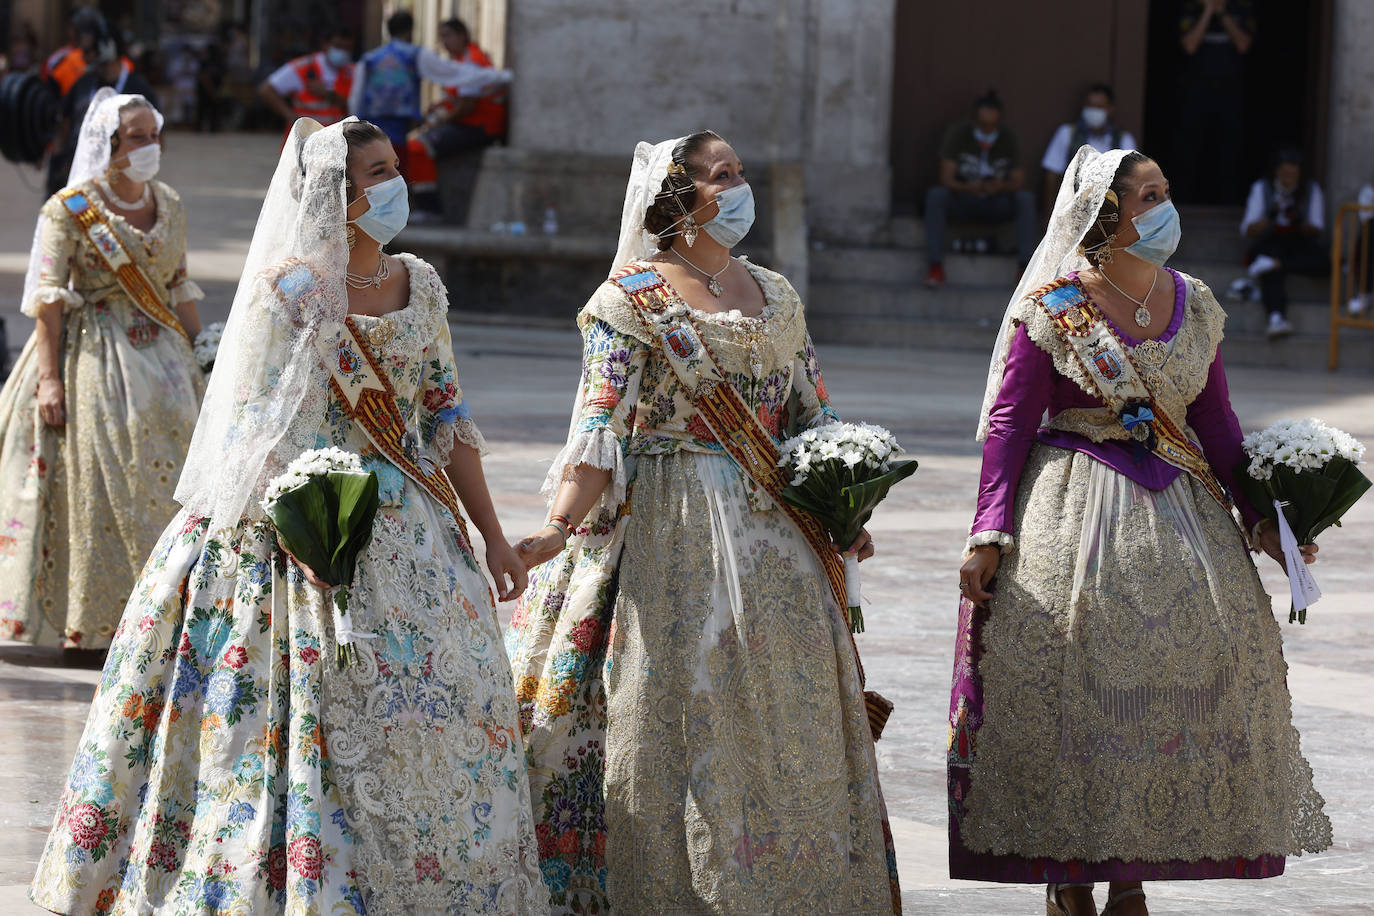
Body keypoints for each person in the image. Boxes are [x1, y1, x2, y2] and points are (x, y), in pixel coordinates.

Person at [28, 117, 549, 915]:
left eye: (392, 167)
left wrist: (489, 532)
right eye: (377, 172)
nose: (394, 184)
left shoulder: (423, 284)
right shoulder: (288, 291)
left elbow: (447, 414)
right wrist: (307, 531)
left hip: (414, 533)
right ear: (336, 196)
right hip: (303, 530)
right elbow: (253, 427)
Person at [506, 131, 900, 915]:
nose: (737, 186)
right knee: (677, 710)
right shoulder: (628, 302)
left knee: (783, 714)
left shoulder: (777, 295)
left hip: (777, 538)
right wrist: (555, 530)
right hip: (668, 527)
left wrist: (844, 501)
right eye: (720, 176)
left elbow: (812, 413)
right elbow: (600, 427)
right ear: (677, 199)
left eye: (740, 172)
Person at [949, 146, 1331, 916]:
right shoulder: (1057, 307)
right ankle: (1069, 872)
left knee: (1167, 689)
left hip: (1181, 511)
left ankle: (1130, 871)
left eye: (1164, 191)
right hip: (1072, 506)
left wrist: (1263, 519)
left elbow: (1217, 424)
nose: (1164, 206)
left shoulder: (1193, 300)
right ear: (1108, 215)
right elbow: (1011, 421)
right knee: (1074, 686)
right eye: (1148, 195)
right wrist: (990, 528)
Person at [0, 90, 205, 651]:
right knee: (102, 480)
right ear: (108, 145)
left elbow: (178, 288)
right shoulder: (69, 208)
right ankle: (100, 623)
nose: (149, 146)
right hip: (94, 357)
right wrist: (48, 379)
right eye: (136, 137)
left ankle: (168, 616)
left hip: (165, 359)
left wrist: (205, 350)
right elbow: (47, 299)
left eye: (152, 135)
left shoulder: (171, 202)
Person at [349, 10, 510, 181]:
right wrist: (503, 76)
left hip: (370, 127)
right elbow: (453, 74)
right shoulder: (414, 55)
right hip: (398, 127)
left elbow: (355, 98)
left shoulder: (370, 59)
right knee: (394, 172)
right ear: (411, 31)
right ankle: (424, 203)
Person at [924, 90, 1035, 288]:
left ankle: (1024, 269)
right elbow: (945, 178)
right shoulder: (958, 133)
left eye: (993, 126)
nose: (987, 130)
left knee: (1025, 199)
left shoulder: (1008, 137)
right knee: (936, 196)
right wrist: (968, 187)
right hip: (964, 199)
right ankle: (935, 267)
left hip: (997, 201)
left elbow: (1019, 181)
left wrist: (1001, 186)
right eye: (983, 126)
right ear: (974, 121)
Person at [407, 17, 508, 218]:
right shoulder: (462, 60)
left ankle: (430, 208)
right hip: (470, 123)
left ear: (462, 35)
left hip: (480, 127)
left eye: (447, 36)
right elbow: (458, 99)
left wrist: (440, 121)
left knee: (418, 147)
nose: (444, 42)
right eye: (441, 37)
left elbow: (467, 107)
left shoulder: (472, 61)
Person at [50, 36, 160, 195]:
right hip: (77, 167)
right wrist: (59, 159)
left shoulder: (139, 88)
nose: (103, 68)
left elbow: (156, 136)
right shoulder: (84, 83)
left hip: (123, 177)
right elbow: (65, 123)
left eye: (106, 63)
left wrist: (145, 162)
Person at [1172, 0, 1255, 203]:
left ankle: (1228, 203)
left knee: (1229, 152)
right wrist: (1209, 11)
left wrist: (1223, 13)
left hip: (1230, 96)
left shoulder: (1241, 8)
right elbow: (1190, 45)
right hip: (1195, 95)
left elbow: (1243, 44)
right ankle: (1183, 203)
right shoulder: (1191, 9)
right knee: (1189, 150)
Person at [1240, 147, 1326, 339]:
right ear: (1277, 171)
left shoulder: (1311, 190)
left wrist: (1297, 219)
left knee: (1324, 261)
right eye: (1286, 173)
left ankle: (1275, 265)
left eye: (1294, 174)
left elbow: (1317, 229)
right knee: (1271, 263)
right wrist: (1271, 215)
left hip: (1298, 242)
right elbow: (1249, 230)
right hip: (1271, 241)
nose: (1289, 178)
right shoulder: (1262, 188)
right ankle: (1276, 316)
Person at [1041, 83, 1137, 206]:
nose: (1093, 112)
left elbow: (1133, 181)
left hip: (1110, 209)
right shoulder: (1067, 133)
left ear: (1110, 109)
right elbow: (1051, 175)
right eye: (1089, 106)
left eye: (1099, 107)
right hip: (1072, 206)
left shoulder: (1124, 140)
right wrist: (1050, 211)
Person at [258, 27, 356, 135]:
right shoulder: (303, 67)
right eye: (338, 46)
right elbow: (266, 90)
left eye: (348, 48)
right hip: (304, 140)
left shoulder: (352, 71)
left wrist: (328, 94)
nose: (343, 52)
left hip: (335, 141)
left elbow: (355, 106)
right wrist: (290, 116)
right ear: (325, 45)